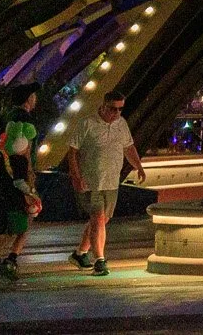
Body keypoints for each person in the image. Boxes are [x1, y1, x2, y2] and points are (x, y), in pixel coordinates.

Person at [65, 92, 144, 276]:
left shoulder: (121, 124)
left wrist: (138, 166)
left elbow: (128, 147)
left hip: (111, 181)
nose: (116, 113)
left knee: (102, 220)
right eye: (113, 109)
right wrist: (76, 176)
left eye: (120, 109)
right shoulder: (87, 124)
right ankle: (100, 259)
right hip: (91, 181)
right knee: (98, 218)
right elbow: (73, 151)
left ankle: (80, 253)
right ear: (103, 106)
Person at [0, 84, 40, 283]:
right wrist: (30, 176)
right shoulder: (24, 120)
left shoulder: (4, 117)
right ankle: (8, 260)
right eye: (33, 96)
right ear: (28, 99)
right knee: (23, 221)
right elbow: (27, 152)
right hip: (17, 178)